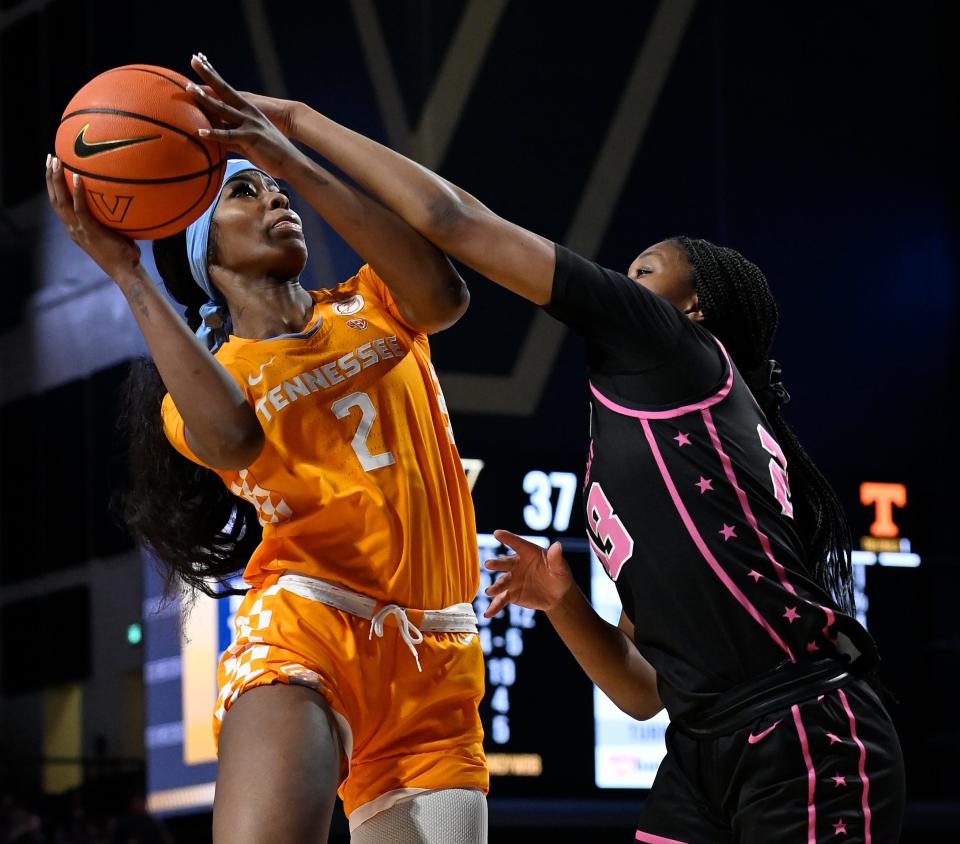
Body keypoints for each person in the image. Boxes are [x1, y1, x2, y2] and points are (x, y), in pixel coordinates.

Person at [186, 53, 907, 842]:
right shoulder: (630, 449)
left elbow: (454, 222)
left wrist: (296, 126)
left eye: (645, 270)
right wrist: (564, 602)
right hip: (701, 747)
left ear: (692, 307)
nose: (624, 280)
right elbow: (639, 691)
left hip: (800, 723)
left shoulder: (670, 348)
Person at [45, 54, 489, 844]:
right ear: (199, 249)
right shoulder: (213, 386)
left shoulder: (372, 302)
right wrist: (126, 272)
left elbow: (446, 295)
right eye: (243, 192)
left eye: (274, 187)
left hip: (442, 651)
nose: (274, 197)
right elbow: (233, 438)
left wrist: (290, 151)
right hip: (312, 621)